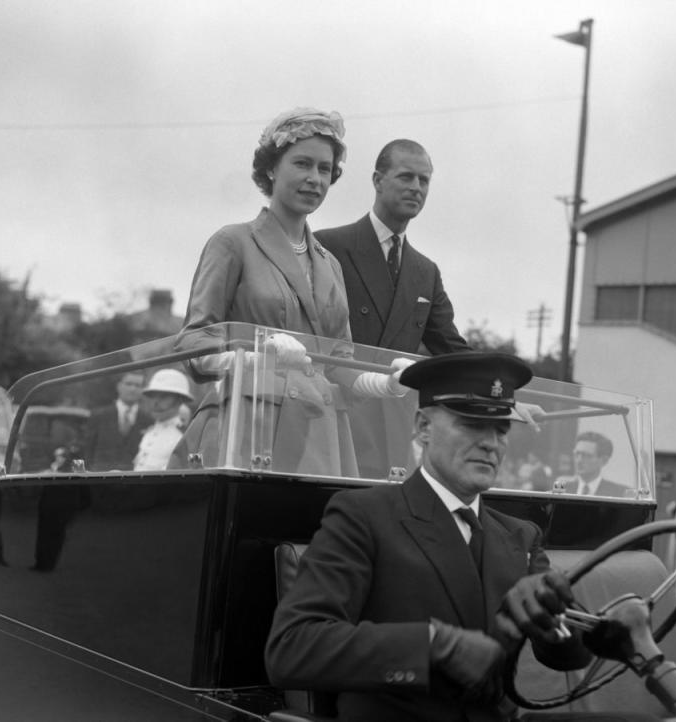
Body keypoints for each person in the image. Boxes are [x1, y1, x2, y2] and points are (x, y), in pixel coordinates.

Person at [266, 352, 602, 721]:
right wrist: (433, 644)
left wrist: (556, 623)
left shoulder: (519, 536)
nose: (492, 443)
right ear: (423, 427)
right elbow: (293, 648)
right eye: (472, 424)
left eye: (501, 429)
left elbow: (573, 654)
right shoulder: (364, 516)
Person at [173, 107, 407, 476]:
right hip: (248, 427)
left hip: (320, 434)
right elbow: (193, 344)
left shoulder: (330, 264)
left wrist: (385, 383)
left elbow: (338, 362)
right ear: (270, 169)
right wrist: (254, 355)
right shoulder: (233, 242)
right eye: (302, 164)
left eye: (325, 169)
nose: (315, 178)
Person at [316, 139, 470, 478]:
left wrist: (505, 393)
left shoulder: (424, 272)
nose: (416, 188)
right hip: (336, 419)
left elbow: (451, 349)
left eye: (424, 180)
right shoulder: (328, 246)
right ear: (377, 180)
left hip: (393, 430)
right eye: (406, 177)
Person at [83, 371, 152, 471]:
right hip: (100, 478)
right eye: (128, 384)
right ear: (119, 386)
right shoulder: (99, 416)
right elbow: (88, 451)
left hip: (133, 480)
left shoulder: (149, 420)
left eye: (138, 385)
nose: (133, 389)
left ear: (143, 389)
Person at [133, 369, 194, 472]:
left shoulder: (186, 437)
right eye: (153, 396)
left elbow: (194, 471)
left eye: (164, 396)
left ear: (179, 400)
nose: (155, 402)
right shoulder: (149, 432)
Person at [552, 431, 629, 498]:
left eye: (586, 456)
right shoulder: (561, 487)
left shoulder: (619, 493)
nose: (579, 460)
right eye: (577, 454)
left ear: (603, 461)